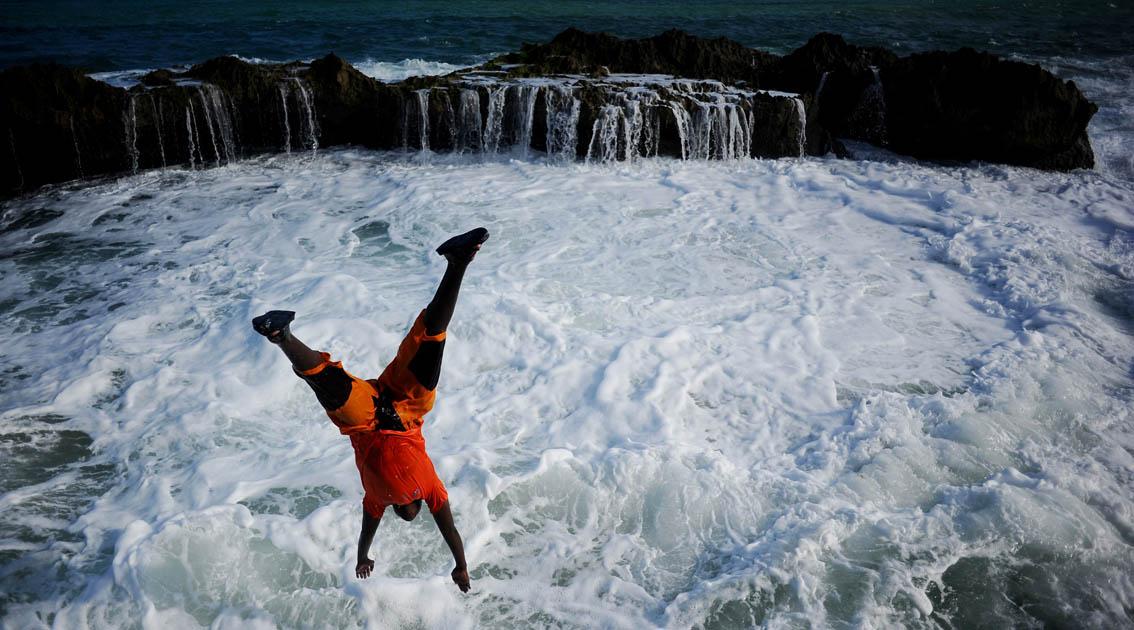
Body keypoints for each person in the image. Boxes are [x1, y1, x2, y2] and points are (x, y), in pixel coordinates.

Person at [251, 227, 489, 593]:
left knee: (328, 382)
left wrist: (363, 556)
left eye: (405, 512)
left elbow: (367, 530)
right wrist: (460, 564)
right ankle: (458, 262)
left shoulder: (376, 501)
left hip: (367, 422)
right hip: (407, 410)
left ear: (395, 509)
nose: (409, 511)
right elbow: (451, 530)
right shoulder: (433, 492)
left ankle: (280, 335)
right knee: (430, 346)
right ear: (416, 505)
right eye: (412, 510)